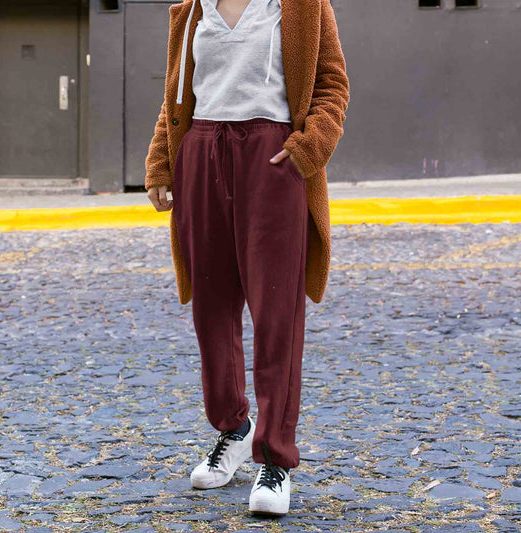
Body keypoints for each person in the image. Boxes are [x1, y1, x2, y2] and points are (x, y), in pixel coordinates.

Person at [145, 0, 350, 516]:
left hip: (273, 155)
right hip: (201, 152)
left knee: (276, 312)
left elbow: (332, 85)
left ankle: (275, 457)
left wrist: (307, 150)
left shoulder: (303, 6)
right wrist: (162, 163)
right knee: (211, 308)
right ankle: (234, 427)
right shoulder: (191, 9)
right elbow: (175, 96)